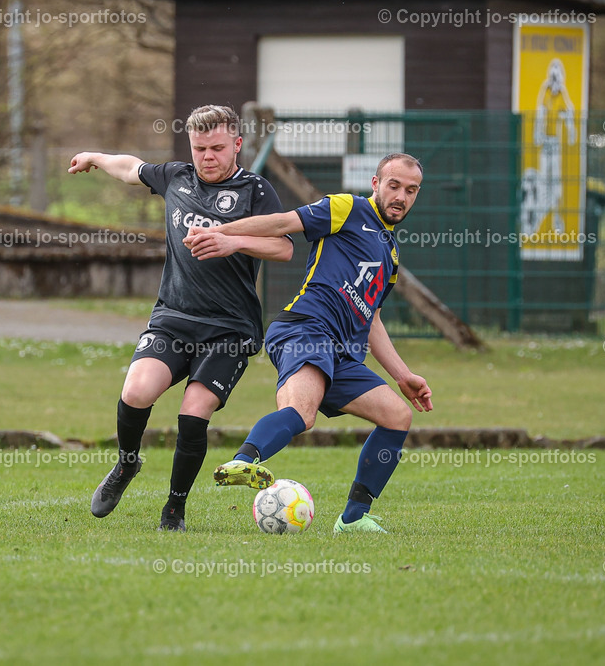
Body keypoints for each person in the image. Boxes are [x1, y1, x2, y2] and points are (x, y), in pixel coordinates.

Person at [68, 105, 292, 531]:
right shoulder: (177, 177)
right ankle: (126, 464)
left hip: (230, 328)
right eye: (199, 148)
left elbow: (283, 247)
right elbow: (131, 168)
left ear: (237, 145)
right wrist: (95, 158)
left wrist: (231, 241)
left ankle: (175, 507)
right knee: (136, 391)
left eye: (217, 148)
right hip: (174, 318)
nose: (207, 156)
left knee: (194, 411)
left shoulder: (256, 191)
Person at [185, 153, 433, 534]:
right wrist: (227, 234)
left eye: (411, 190)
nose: (401, 196)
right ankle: (243, 461)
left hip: (342, 353)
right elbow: (284, 222)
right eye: (394, 185)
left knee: (397, 416)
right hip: (304, 328)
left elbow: (373, 320)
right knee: (302, 412)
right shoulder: (347, 208)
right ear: (376, 184)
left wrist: (403, 375)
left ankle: (352, 519)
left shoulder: (392, 255)